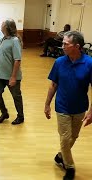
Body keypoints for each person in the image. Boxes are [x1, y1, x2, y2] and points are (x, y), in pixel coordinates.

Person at [44, 31, 92, 180]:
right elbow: (53, 85)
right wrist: (47, 104)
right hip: (62, 106)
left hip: (80, 107)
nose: (62, 46)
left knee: (74, 136)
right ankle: (70, 167)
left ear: (77, 46)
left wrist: (91, 112)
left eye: (66, 44)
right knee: (65, 138)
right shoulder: (59, 62)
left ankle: (60, 156)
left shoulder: (89, 63)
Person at [0, 19, 24, 125]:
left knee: (16, 97)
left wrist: (13, 77)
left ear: (7, 27)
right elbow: (2, 56)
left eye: (2, 24)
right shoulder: (4, 39)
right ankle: (4, 113)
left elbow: (17, 60)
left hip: (11, 75)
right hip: (0, 74)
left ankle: (20, 117)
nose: (1, 26)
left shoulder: (15, 40)